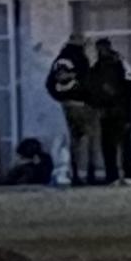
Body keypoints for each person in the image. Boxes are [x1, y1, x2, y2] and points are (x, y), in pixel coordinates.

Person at [46, 34, 97, 186]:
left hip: (67, 105)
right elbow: (86, 80)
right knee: (90, 138)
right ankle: (89, 173)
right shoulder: (78, 59)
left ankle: (75, 173)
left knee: (75, 140)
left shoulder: (60, 59)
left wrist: (62, 98)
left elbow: (50, 83)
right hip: (81, 104)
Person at [88, 38, 131, 184]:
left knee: (124, 144)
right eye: (99, 48)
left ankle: (127, 175)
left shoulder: (120, 63)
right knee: (109, 146)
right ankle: (113, 176)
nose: (101, 51)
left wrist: (117, 95)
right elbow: (91, 90)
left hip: (120, 110)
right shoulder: (97, 68)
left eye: (103, 47)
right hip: (108, 112)